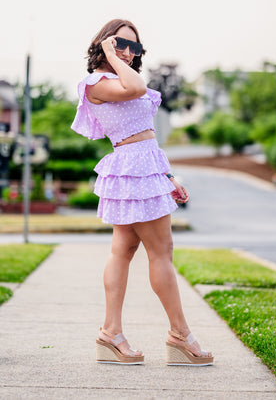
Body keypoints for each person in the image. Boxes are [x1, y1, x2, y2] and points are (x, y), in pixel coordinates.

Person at [71, 19, 213, 366]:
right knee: (161, 251)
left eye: (135, 47)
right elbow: (135, 88)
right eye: (121, 43)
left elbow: (146, 133)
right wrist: (113, 56)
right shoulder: (97, 83)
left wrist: (168, 176)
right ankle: (180, 335)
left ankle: (111, 333)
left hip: (145, 166)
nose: (129, 52)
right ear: (104, 43)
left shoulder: (121, 76)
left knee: (124, 248)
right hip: (131, 166)